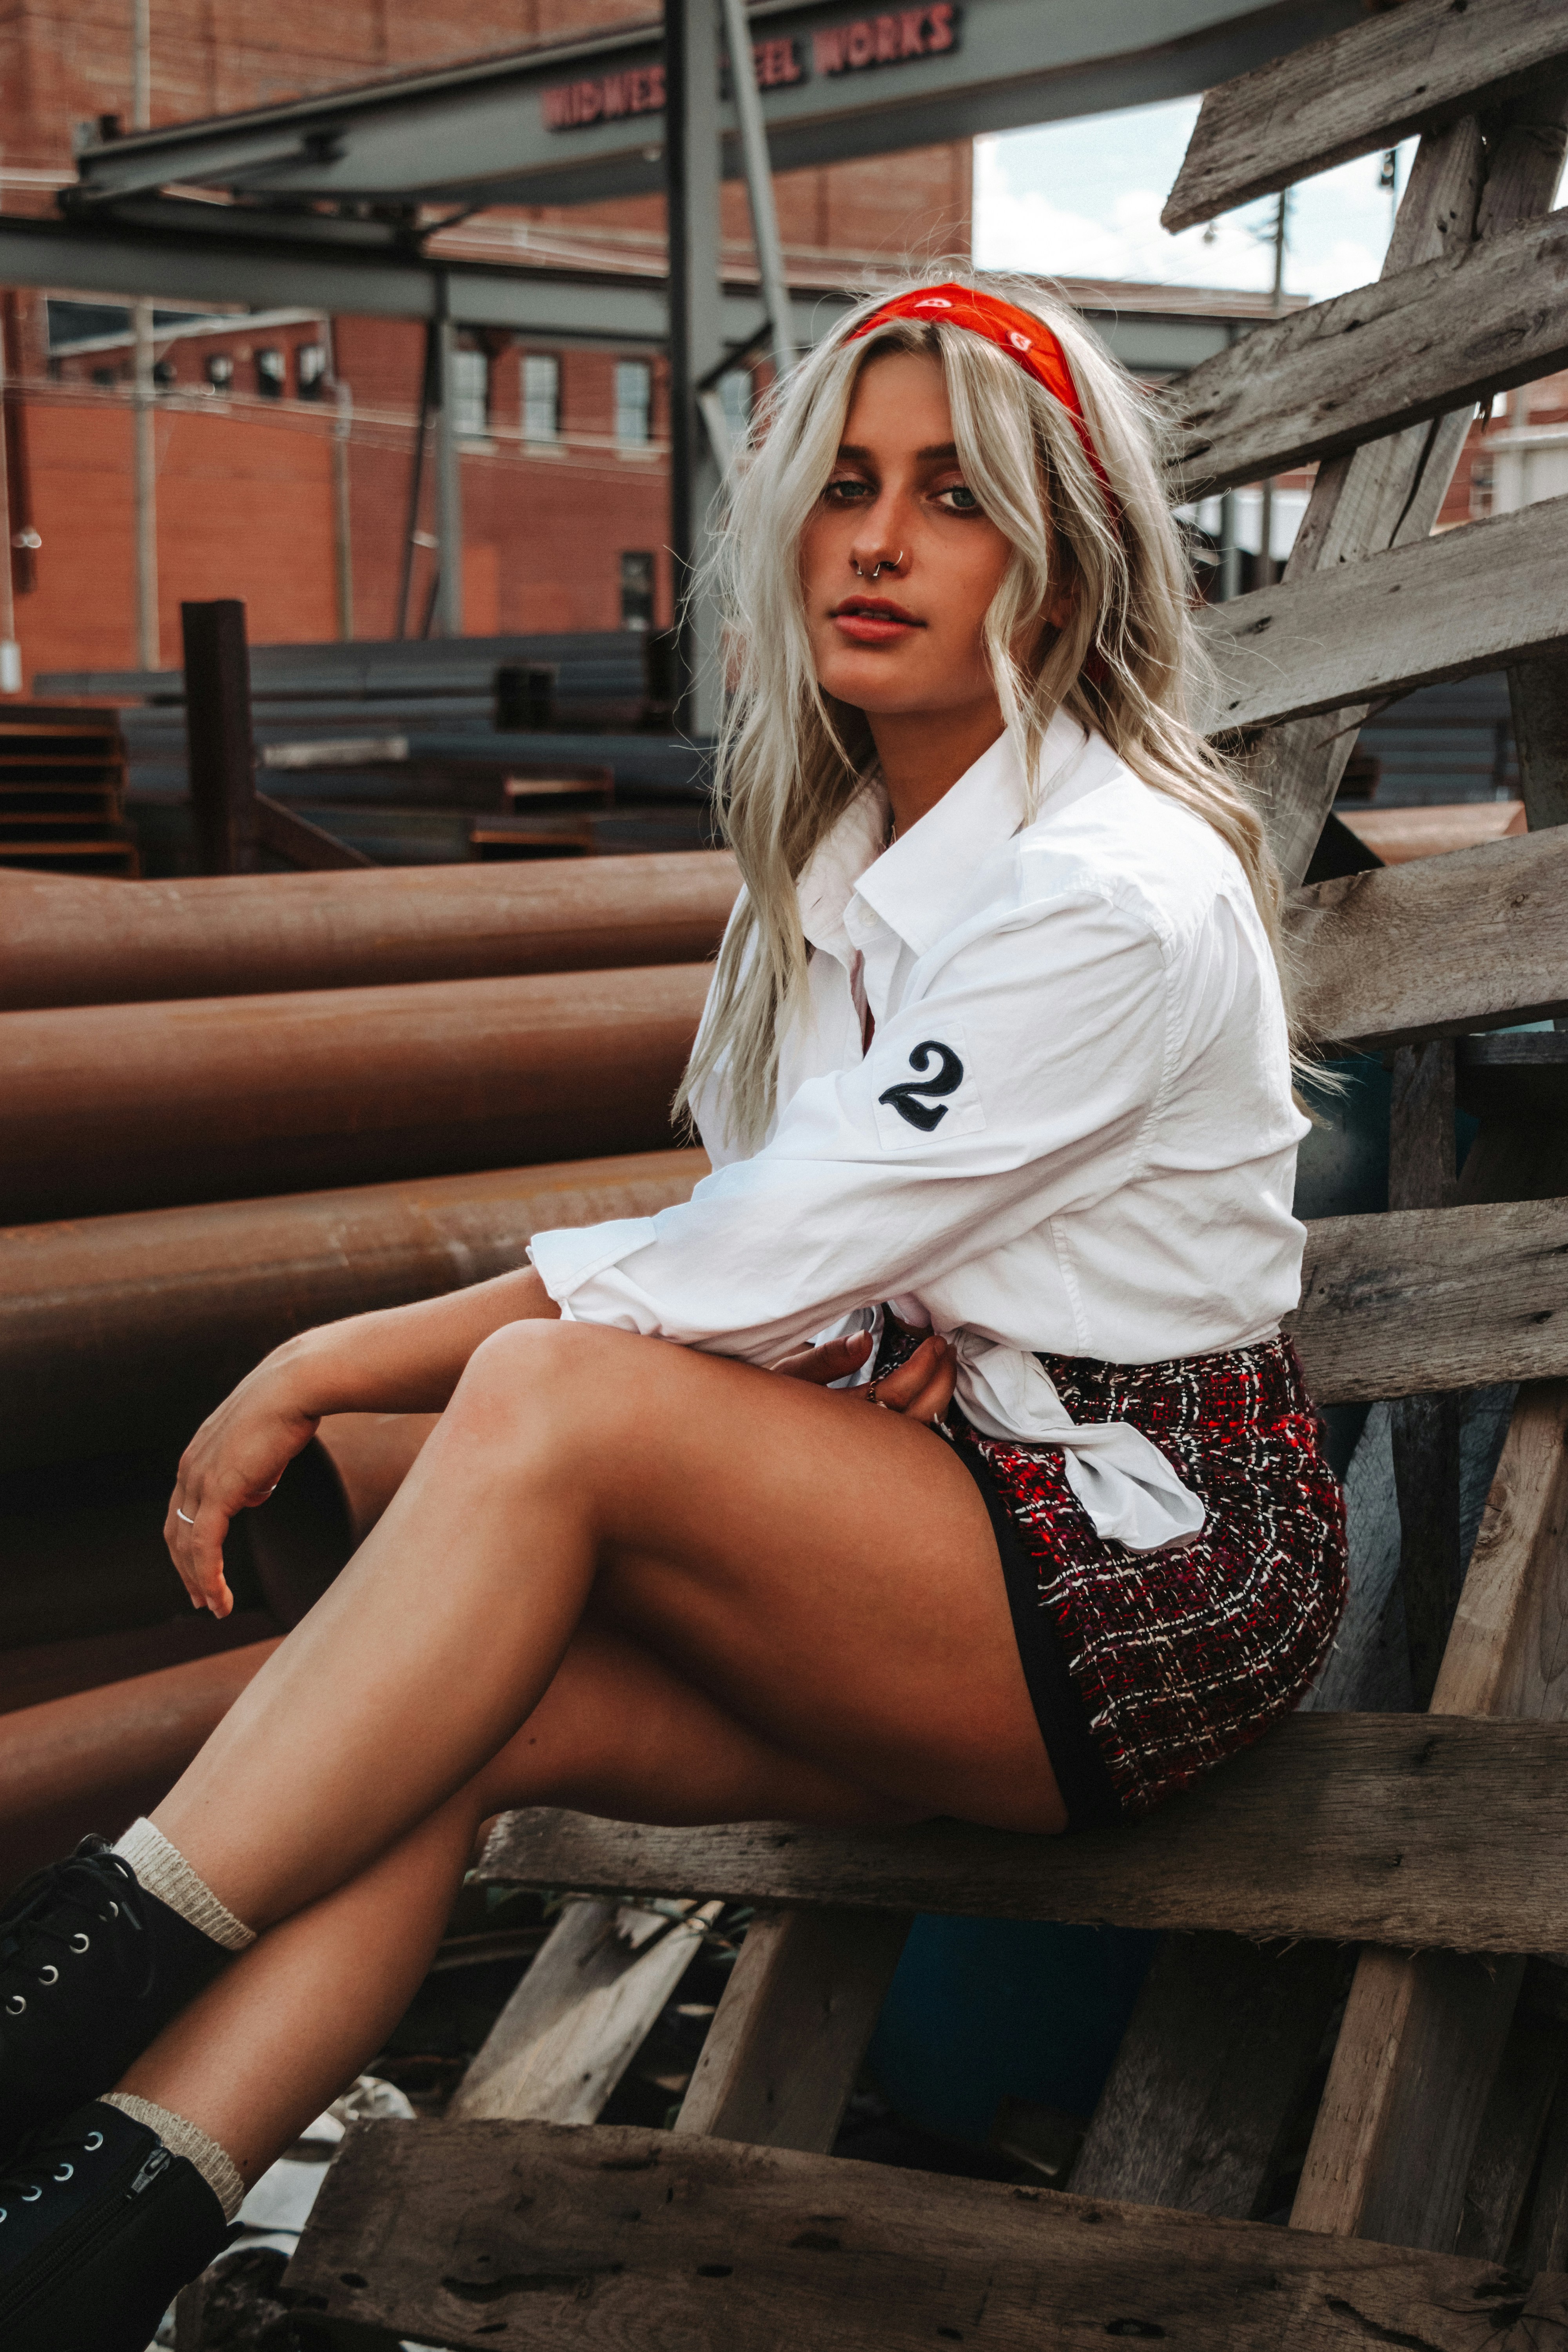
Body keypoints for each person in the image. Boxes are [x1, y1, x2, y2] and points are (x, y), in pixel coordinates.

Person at [0, 276, 1346, 2346]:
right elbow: (802, 1270)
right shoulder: (850, 871)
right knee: (431, 1734)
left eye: (954, 499)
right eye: (847, 485)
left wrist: (319, 1357)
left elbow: (748, 1254)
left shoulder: (1106, 884)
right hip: (948, 1533)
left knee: (547, 1400)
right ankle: (72, 2256)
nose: (876, 541)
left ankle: (34, 2009)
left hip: (1140, 1579)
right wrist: (828, 1322)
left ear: (1063, 564)